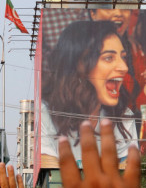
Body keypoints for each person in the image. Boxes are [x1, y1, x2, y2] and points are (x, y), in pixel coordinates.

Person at [40, 20, 138, 166]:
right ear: (79, 65)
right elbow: (52, 182)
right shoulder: (44, 113)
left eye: (123, 57)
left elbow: (129, 179)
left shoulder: (123, 117)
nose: (124, 67)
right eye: (109, 57)